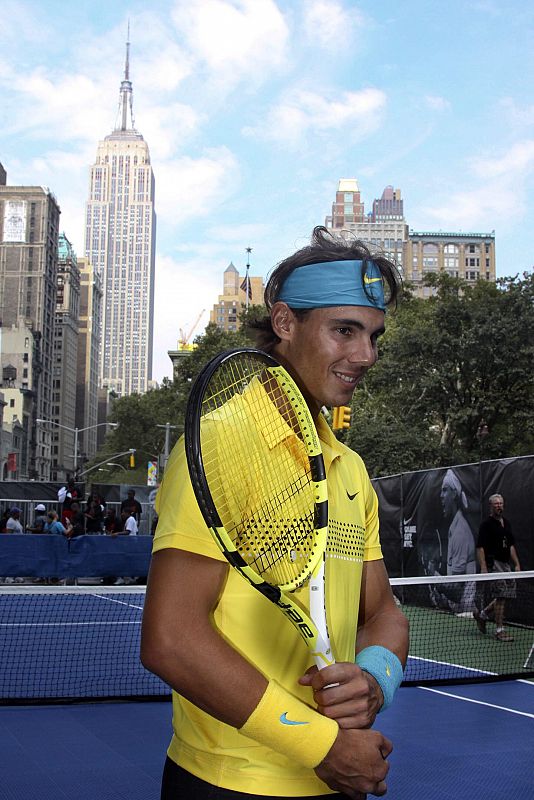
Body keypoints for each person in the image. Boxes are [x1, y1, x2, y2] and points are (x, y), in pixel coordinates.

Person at [141, 226, 409, 800]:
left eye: (373, 336)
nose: (365, 355)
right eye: (344, 331)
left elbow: (383, 613)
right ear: (285, 323)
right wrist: (322, 746)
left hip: (336, 780)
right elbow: (172, 637)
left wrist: (375, 679)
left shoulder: (351, 469)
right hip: (228, 783)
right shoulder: (217, 443)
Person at [474, 494, 521, 642]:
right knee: (501, 596)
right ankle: (499, 631)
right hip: (494, 564)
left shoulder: (506, 523)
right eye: (496, 504)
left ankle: (482, 615)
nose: (499, 506)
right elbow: (480, 547)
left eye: (501, 503)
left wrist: (517, 564)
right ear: (491, 506)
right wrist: (483, 567)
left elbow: (510, 545)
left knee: (506, 595)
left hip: (506, 564)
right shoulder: (486, 525)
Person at [433, 469, 477, 613]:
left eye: (445, 490)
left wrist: (434, 577)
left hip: (465, 609)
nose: (441, 496)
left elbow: (456, 589)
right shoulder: (454, 526)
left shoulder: (460, 532)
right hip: (458, 608)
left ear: (454, 494)